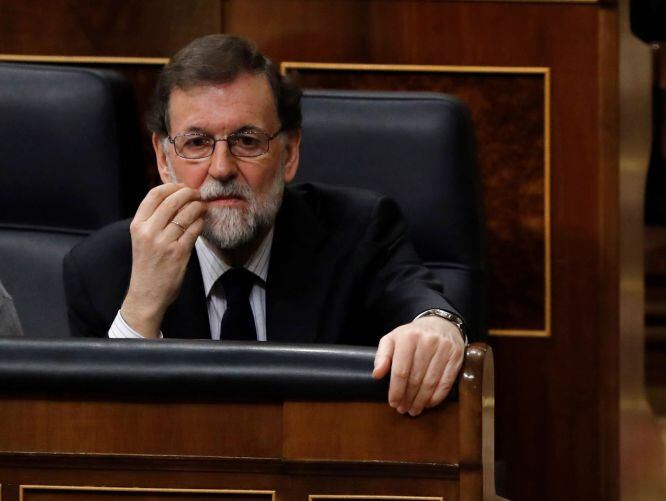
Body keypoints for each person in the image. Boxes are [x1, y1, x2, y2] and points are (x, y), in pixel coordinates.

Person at [63, 34, 467, 417]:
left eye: (247, 141)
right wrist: (141, 311)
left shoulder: (360, 231)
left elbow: (423, 307)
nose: (221, 169)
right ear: (164, 159)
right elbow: (95, 447)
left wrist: (436, 325)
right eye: (197, 143)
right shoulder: (102, 268)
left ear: (289, 153)